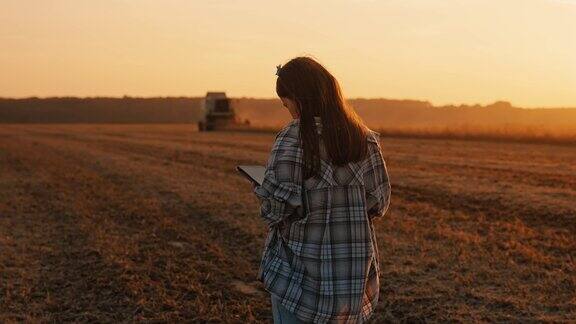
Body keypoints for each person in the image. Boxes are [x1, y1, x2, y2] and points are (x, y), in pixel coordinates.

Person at [253, 56, 391, 323]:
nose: (290, 113)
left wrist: (262, 190)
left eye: (287, 105)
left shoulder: (292, 138)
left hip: (300, 284)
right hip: (351, 284)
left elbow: (276, 210)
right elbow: (379, 203)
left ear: (300, 99)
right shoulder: (365, 140)